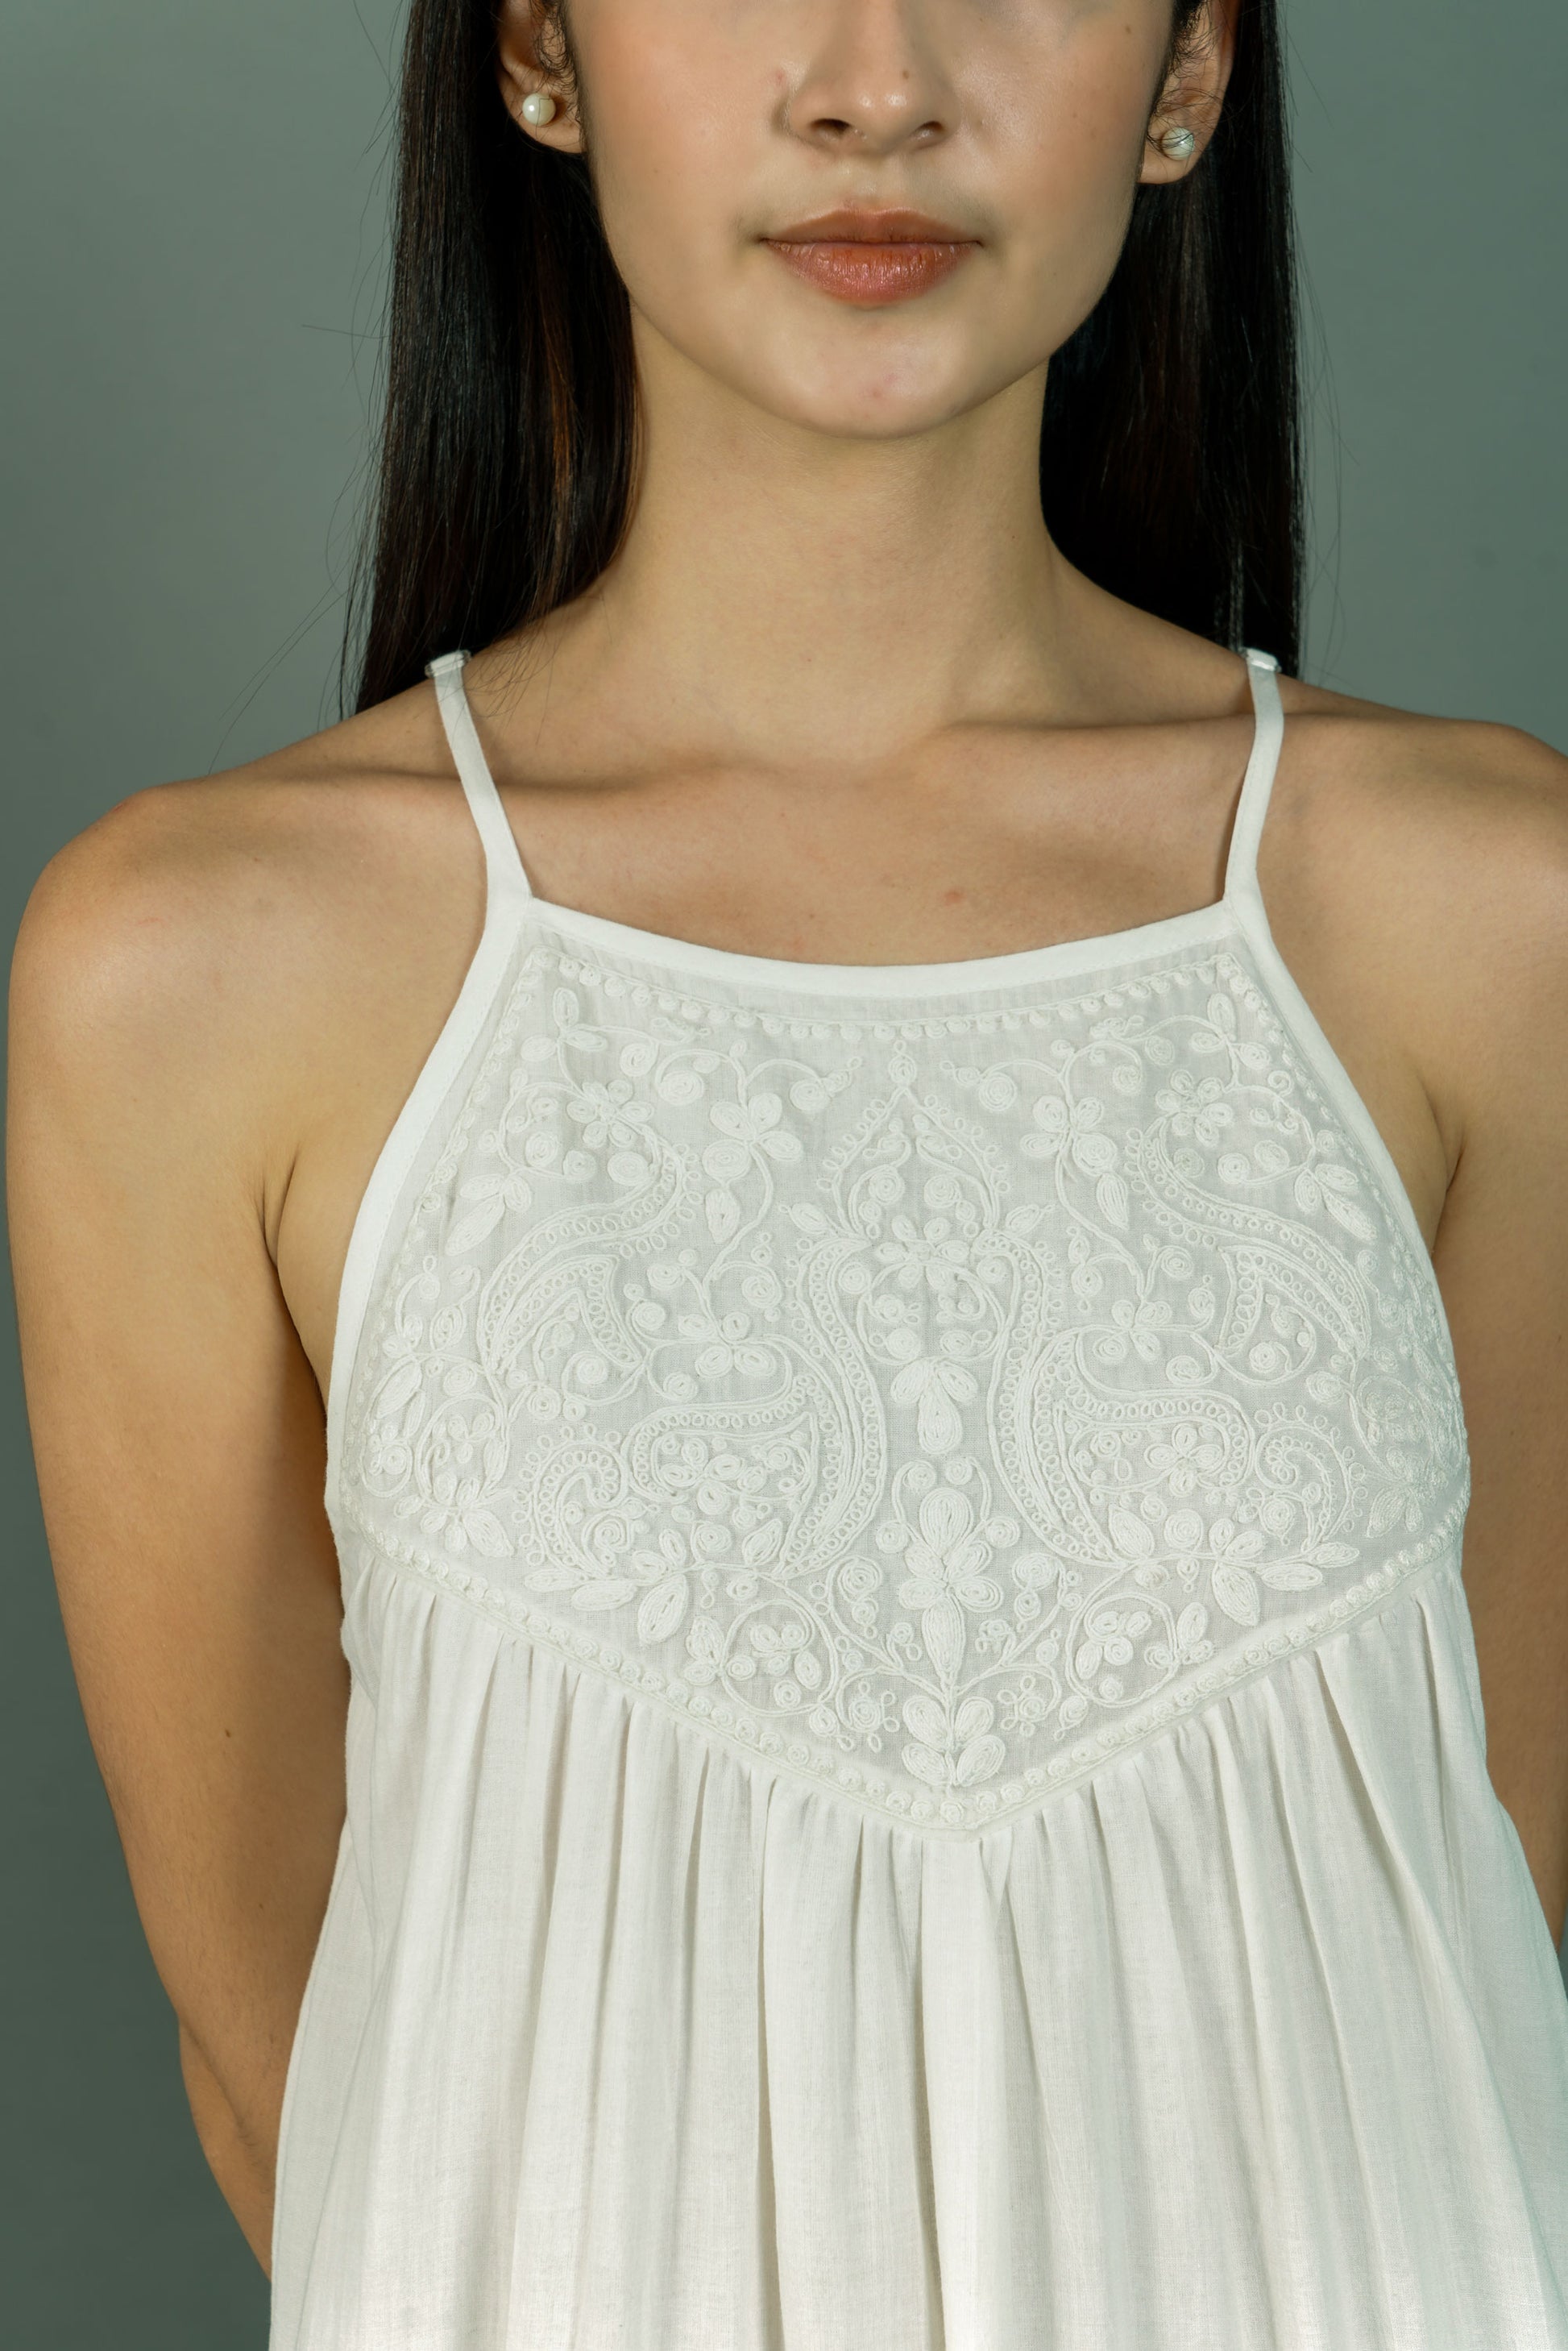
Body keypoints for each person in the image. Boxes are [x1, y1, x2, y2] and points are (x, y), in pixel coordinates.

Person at [8, 0, 1568, 2341]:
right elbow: (303, 2086)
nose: (873, 85)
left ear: (1187, 74)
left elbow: (1461, 1941)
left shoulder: (1493, 919)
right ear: (536, 51)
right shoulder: (197, 969)